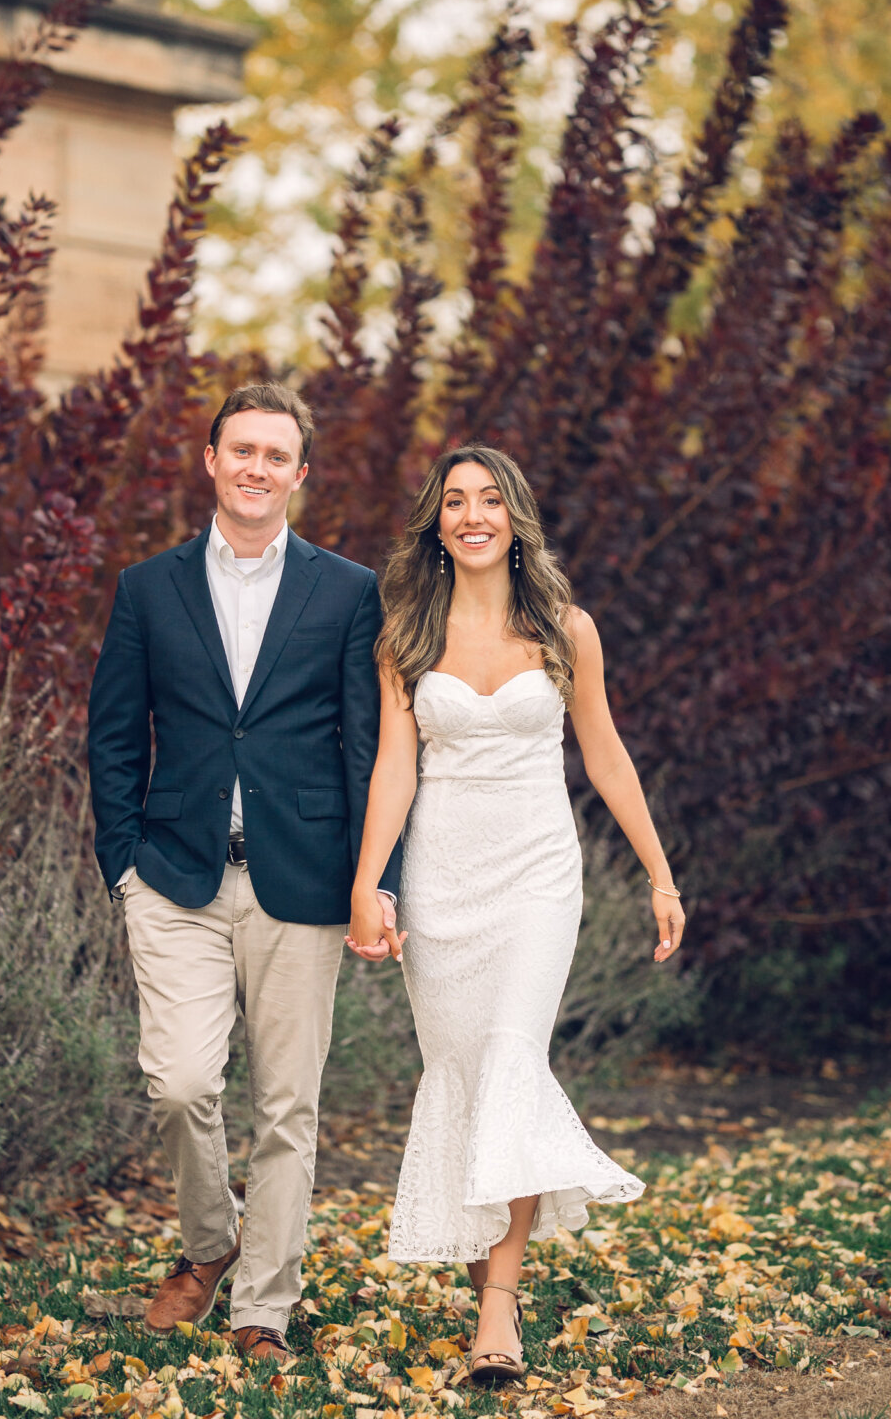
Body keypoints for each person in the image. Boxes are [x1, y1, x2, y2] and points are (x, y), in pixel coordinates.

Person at [347, 444, 685, 1385]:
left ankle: (498, 1311)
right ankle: (480, 1256)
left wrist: (661, 874)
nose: (472, 514)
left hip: (538, 878)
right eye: (455, 501)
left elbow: (606, 756)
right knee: (461, 1077)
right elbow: (395, 768)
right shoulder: (406, 636)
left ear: (515, 515)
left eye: (490, 498)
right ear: (436, 522)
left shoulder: (566, 629)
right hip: (442, 884)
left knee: (510, 1059)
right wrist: (369, 881)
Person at [88, 382, 400, 1364]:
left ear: (298, 476)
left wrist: (371, 877)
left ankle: (262, 1305)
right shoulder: (147, 587)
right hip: (173, 874)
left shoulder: (347, 591)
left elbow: (364, 746)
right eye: (241, 450)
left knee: (286, 1105)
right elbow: (110, 733)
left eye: (276, 455)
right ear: (210, 461)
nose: (256, 467)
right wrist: (121, 862)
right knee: (179, 1084)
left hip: (301, 879)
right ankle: (207, 1244)